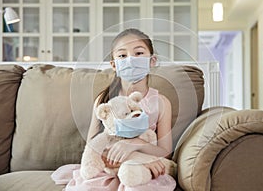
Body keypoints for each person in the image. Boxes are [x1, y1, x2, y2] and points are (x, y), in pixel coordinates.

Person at [51, 28, 176, 190]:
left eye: (138, 53)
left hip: (140, 169)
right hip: (107, 168)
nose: (130, 60)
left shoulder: (161, 103)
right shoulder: (104, 101)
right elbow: (92, 145)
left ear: (152, 61)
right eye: (122, 55)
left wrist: (135, 144)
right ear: (114, 65)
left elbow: (165, 152)